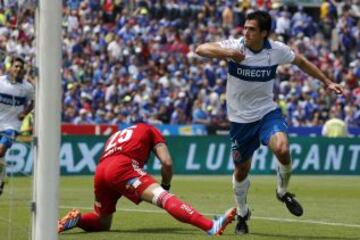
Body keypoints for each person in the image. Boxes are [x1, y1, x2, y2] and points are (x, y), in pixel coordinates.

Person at [195, 10, 344, 235]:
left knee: (282, 149)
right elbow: (201, 49)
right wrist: (229, 53)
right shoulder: (236, 46)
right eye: (244, 28)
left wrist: (326, 82)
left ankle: (282, 192)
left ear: (264, 33)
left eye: (251, 29)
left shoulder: (276, 50)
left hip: (267, 113)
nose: (245, 32)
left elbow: (301, 62)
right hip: (240, 121)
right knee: (241, 170)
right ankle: (243, 214)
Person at [58, 123, 236, 236]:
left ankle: (78, 219)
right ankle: (210, 226)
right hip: (122, 166)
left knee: (103, 222)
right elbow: (166, 163)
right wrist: (165, 185)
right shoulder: (151, 130)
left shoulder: (117, 134)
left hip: (101, 170)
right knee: (163, 198)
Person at [0, 57, 34, 196]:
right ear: (10, 67)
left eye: (21, 67)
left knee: (1, 151)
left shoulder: (27, 87)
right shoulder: (1, 82)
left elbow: (33, 102)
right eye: (16, 66)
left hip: (12, 125)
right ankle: (2, 179)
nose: (18, 69)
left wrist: (24, 113)